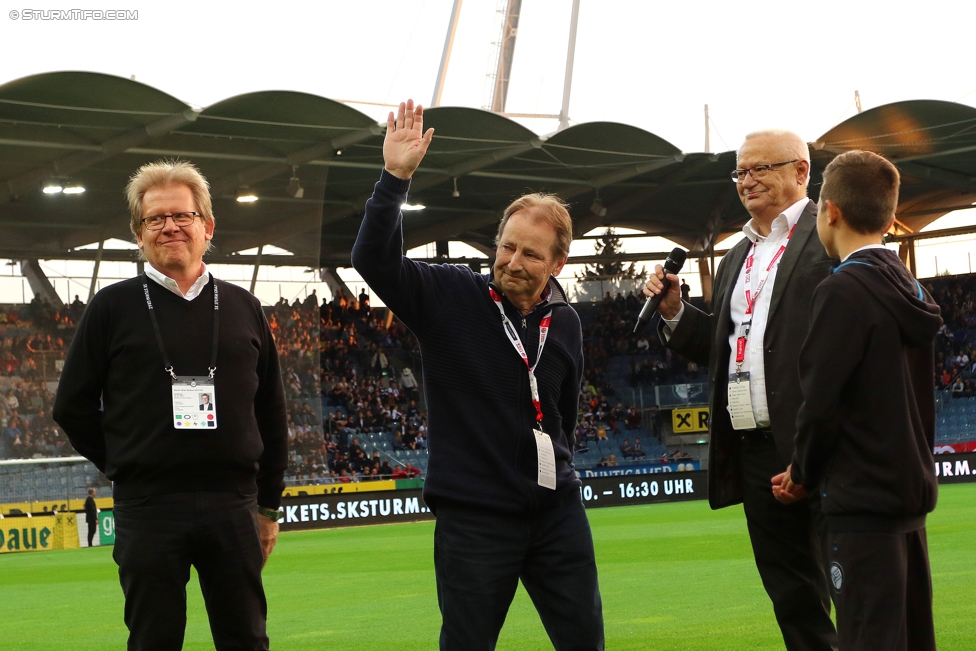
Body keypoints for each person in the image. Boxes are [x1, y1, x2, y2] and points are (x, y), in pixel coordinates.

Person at [352, 100, 603, 650]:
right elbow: (372, 259)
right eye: (506, 247)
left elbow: (565, 417)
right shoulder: (450, 294)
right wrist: (394, 179)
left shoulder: (565, 323)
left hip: (556, 513)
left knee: (585, 642)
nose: (513, 262)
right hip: (475, 520)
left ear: (557, 265)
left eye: (531, 255)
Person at [53, 159, 288, 651]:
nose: (169, 226)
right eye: (154, 219)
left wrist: (267, 506)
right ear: (138, 234)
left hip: (234, 503)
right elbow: (71, 406)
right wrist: (125, 460)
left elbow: (271, 411)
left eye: (181, 215)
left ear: (208, 226)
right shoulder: (111, 307)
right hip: (149, 506)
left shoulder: (244, 306)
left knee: (246, 638)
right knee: (153, 640)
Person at [645, 129, 837, 651]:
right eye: (740, 172)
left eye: (760, 169)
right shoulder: (736, 258)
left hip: (822, 443)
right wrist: (675, 313)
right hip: (755, 448)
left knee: (858, 584)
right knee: (792, 594)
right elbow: (724, 346)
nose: (747, 181)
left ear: (801, 171)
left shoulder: (829, 234)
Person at [773, 150, 941, 651]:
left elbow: (821, 401)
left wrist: (801, 472)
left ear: (830, 212)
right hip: (906, 501)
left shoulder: (842, 290)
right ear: (890, 219)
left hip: (862, 507)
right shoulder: (911, 289)